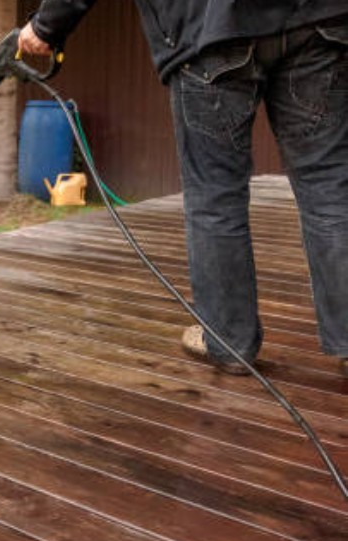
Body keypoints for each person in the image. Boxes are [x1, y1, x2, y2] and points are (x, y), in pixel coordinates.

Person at [19, 1, 348, 376]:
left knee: (215, 197)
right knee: (331, 186)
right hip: (316, 24)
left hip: (207, 33)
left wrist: (46, 25)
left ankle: (228, 341)